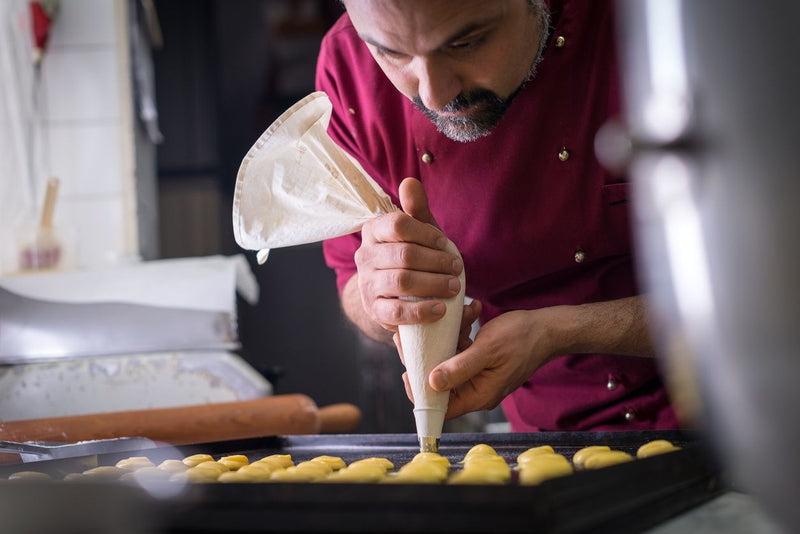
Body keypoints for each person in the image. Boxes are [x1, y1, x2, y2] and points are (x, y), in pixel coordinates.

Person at [315, 0, 679, 431]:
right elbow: (352, 283)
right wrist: (383, 294)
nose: (434, 94)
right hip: (546, 445)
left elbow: (770, 290)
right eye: (392, 54)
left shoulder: (668, 24)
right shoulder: (347, 70)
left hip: (735, 416)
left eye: (466, 43)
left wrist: (558, 331)